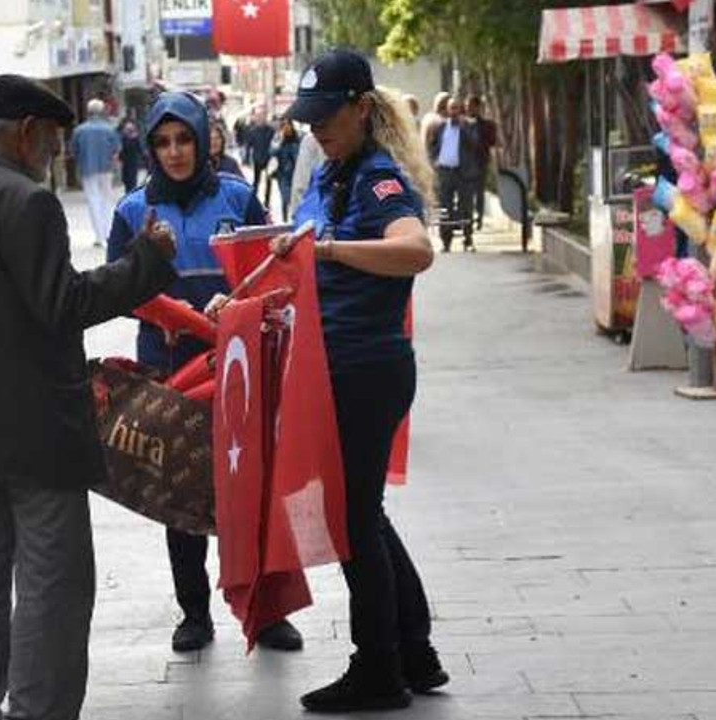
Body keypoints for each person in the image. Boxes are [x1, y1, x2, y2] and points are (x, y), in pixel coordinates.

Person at [0, 74, 178, 720]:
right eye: (52, 140)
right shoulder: (27, 203)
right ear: (27, 133)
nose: (54, 153)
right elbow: (65, 303)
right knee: (53, 586)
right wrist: (145, 262)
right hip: (36, 436)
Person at [107, 91, 305, 655]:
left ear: (202, 138)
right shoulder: (132, 211)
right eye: (163, 142)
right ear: (150, 147)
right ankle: (194, 612)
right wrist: (167, 312)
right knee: (181, 492)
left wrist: (234, 302)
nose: (174, 152)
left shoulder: (239, 199)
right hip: (167, 366)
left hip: (237, 363)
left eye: (184, 139)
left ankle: (267, 613)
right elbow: (119, 287)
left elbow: (273, 274)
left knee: (251, 488)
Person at [283, 49, 447, 713]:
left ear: (360, 108)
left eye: (327, 116)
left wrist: (326, 250)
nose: (317, 128)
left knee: (353, 520)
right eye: (309, 119)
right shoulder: (333, 175)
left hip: (366, 368)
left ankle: (379, 667)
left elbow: (416, 250)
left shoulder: (378, 178)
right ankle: (414, 651)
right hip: (338, 365)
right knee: (363, 514)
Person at [70, 98, 122, 247]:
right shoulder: (109, 129)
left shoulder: (79, 130)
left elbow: (73, 151)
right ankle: (108, 233)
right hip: (106, 168)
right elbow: (117, 150)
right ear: (102, 111)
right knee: (107, 200)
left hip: (87, 168)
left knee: (93, 200)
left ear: (88, 112)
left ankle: (99, 236)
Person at [428, 97, 477, 252]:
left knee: (466, 207)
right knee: (445, 208)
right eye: (452, 108)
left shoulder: (468, 126)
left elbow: (475, 143)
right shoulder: (441, 127)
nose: (454, 111)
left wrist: (463, 128)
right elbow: (433, 146)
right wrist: (434, 161)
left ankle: (468, 240)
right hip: (445, 172)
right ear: (448, 110)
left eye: (457, 108)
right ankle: (445, 242)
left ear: (461, 110)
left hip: (462, 173)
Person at [466, 95, 498, 231]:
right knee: (466, 193)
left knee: (479, 192)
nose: (469, 109)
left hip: (480, 162)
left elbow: (492, 141)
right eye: (467, 107)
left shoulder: (488, 125)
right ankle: (468, 218)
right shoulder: (463, 124)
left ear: (478, 107)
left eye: (471, 106)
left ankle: (478, 218)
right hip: (465, 164)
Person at [272, 118, 301, 222]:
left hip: (296, 173)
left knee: (295, 198)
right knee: (285, 198)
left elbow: (299, 156)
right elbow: (272, 152)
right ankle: (285, 220)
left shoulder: (297, 139)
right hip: (282, 174)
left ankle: (295, 219)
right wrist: (280, 141)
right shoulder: (278, 139)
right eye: (283, 125)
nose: (286, 127)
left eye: (288, 125)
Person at [246, 107, 276, 200]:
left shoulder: (271, 130)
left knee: (268, 181)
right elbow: (248, 146)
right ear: (255, 117)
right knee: (256, 181)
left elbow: (274, 143)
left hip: (268, 158)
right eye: (258, 116)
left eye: (262, 115)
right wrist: (246, 159)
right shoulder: (252, 131)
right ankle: (253, 199)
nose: (260, 118)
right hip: (257, 158)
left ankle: (267, 201)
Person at [118, 118, 143, 193]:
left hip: (133, 162)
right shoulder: (123, 138)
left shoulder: (135, 139)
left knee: (132, 181)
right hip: (125, 163)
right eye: (127, 129)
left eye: (130, 129)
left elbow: (140, 150)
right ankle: (128, 193)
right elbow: (121, 151)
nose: (129, 131)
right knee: (126, 180)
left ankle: (131, 193)